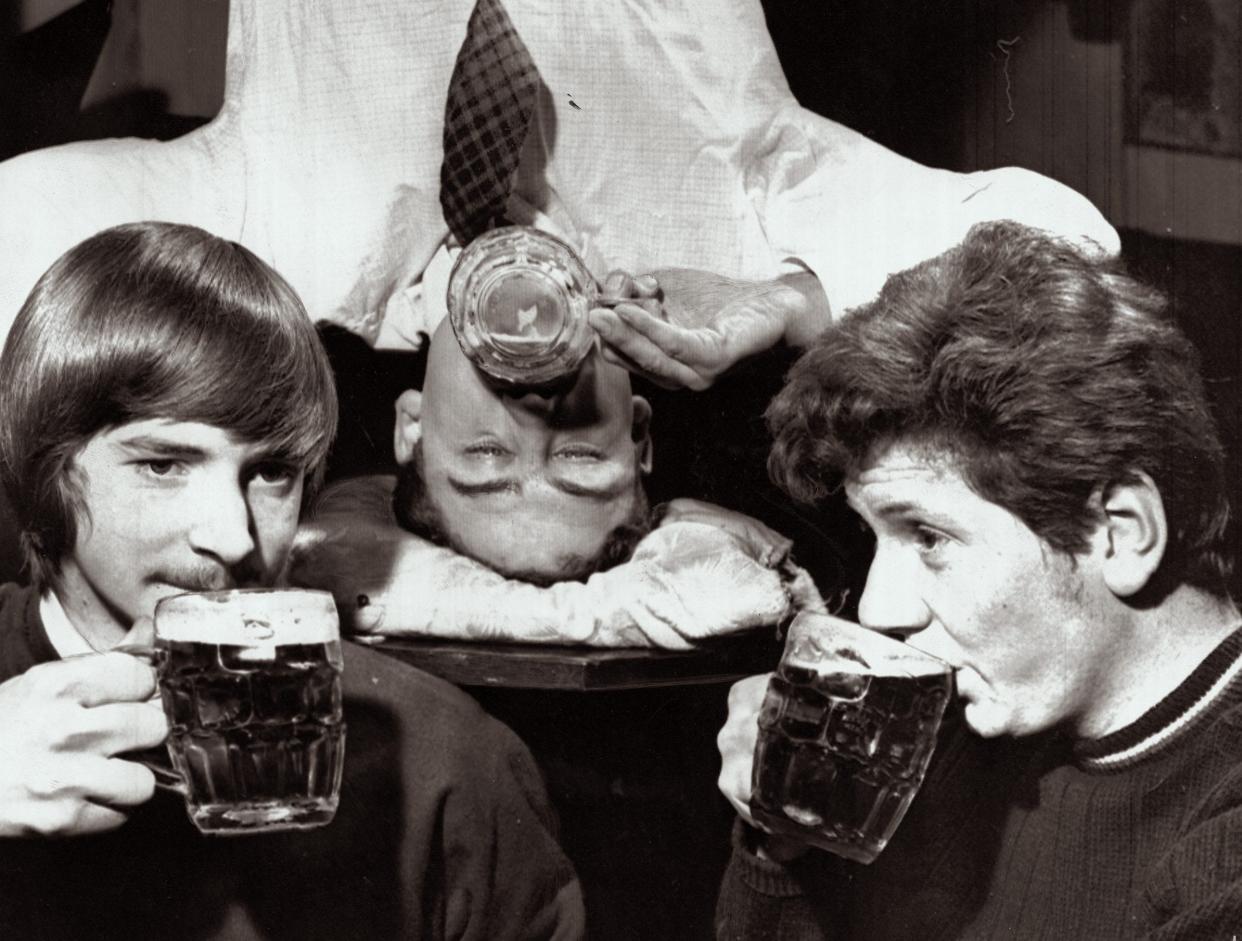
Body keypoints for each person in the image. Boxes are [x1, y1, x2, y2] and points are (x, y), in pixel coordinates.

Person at [0, 221, 586, 940]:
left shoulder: (449, 761)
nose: (234, 535)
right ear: (47, 465)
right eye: (164, 464)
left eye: (271, 472)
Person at [714, 220, 1242, 940]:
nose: (877, 607)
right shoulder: (964, 726)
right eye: (874, 536)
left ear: (1120, 533)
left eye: (928, 535)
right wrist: (787, 846)